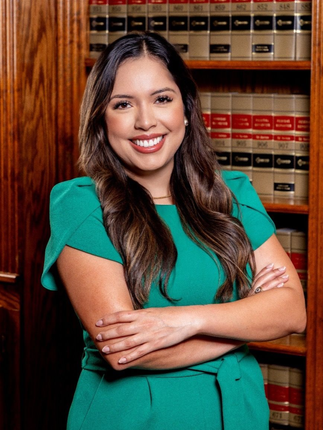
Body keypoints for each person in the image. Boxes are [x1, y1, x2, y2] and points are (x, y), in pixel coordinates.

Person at [41, 32, 306, 430]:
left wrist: (179, 321)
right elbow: (124, 351)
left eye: (162, 99)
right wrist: (246, 320)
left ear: (186, 109)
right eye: (123, 104)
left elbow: (292, 313)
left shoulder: (233, 192)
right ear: (101, 117)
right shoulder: (81, 203)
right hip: (135, 415)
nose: (146, 120)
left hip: (237, 409)